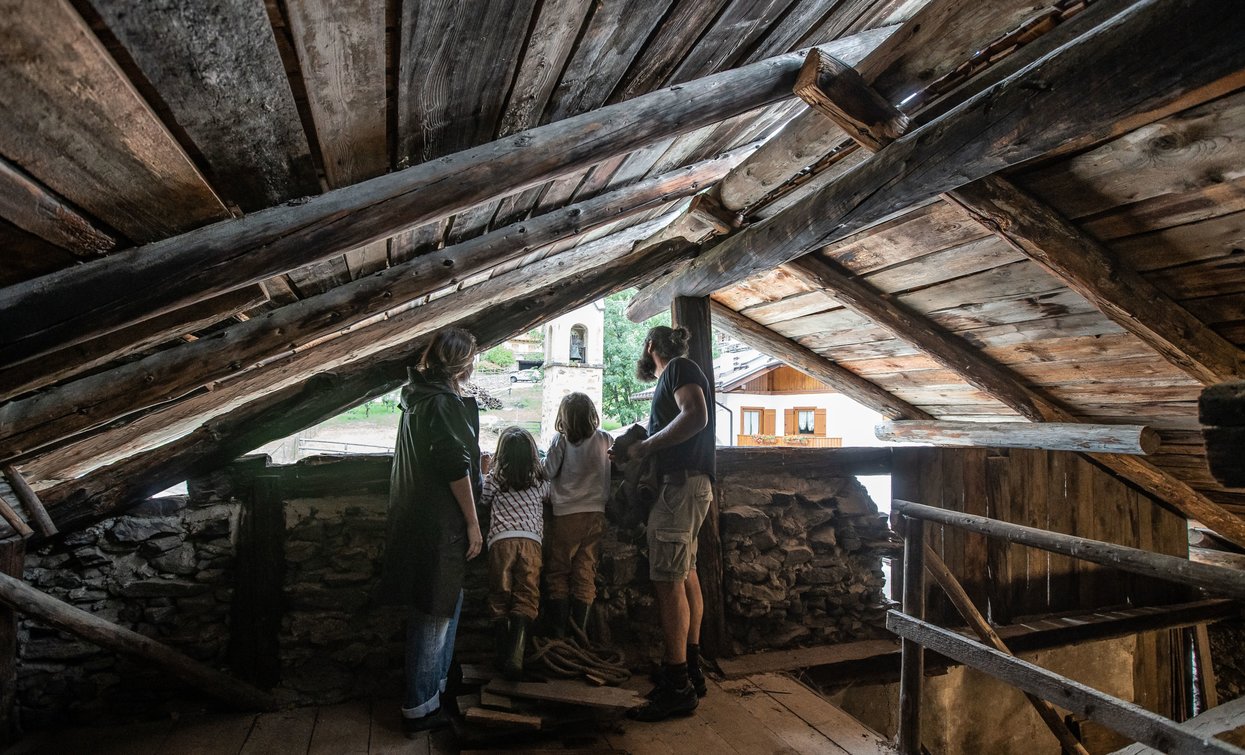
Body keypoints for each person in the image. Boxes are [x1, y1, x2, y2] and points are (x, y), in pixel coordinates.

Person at [378, 327, 486, 736]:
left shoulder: (419, 398)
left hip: (420, 519)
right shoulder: (441, 403)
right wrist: (474, 523)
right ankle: (420, 708)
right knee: (433, 614)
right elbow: (451, 465)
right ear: (461, 363)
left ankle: (433, 696)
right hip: (440, 524)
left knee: (441, 608)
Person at [616, 325, 715, 722]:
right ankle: (690, 669)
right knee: (686, 573)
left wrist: (645, 446)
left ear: (650, 346)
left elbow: (696, 416)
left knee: (667, 580)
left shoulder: (677, 368)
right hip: (688, 487)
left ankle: (676, 686)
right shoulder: (673, 376)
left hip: (681, 489)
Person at [480, 426, 549, 679]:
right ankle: (516, 658)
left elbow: (484, 499)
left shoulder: (495, 479)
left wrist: (484, 469)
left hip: (501, 543)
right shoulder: (540, 482)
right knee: (527, 595)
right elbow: (552, 495)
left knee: (500, 596)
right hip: (531, 543)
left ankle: (501, 654)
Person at [543, 392, 612, 638]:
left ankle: (559, 633)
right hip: (595, 514)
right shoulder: (605, 439)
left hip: (567, 514)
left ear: (564, 418)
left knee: (559, 570)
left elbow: (547, 471)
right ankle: (579, 634)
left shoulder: (561, 441)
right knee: (585, 569)